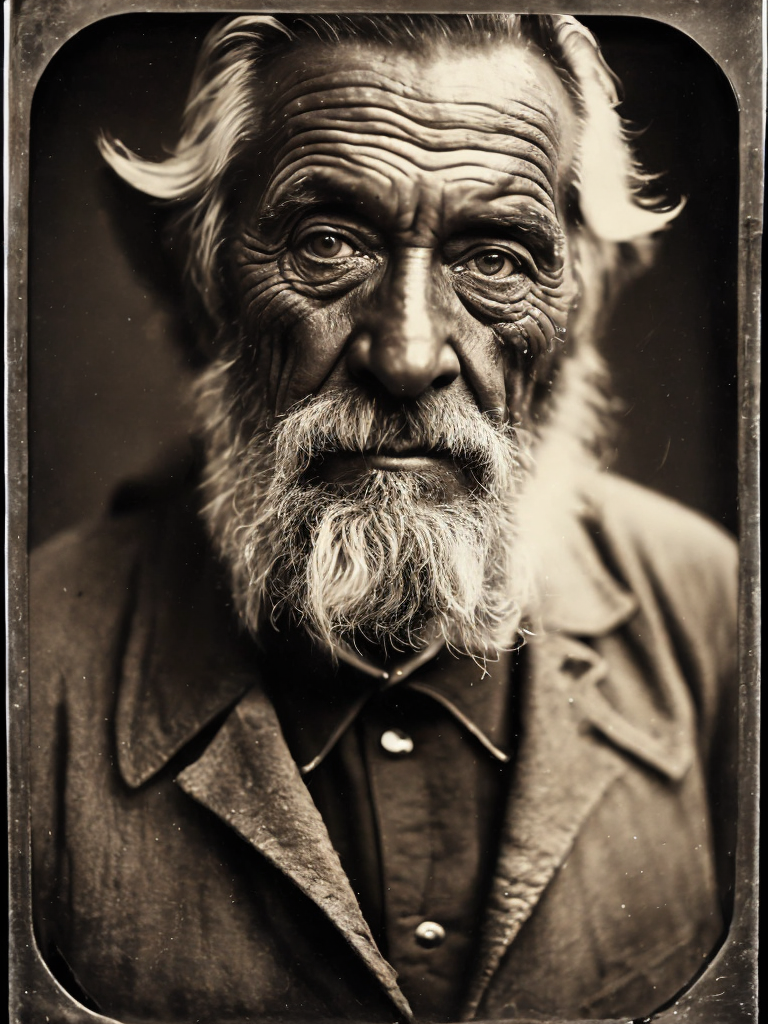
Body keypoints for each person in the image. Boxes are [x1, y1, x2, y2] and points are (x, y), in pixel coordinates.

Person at [29, 13, 738, 1023]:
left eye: (494, 256)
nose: (408, 354)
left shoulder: (706, 607)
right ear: (208, 279)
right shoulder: (32, 668)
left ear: (580, 301)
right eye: (328, 243)